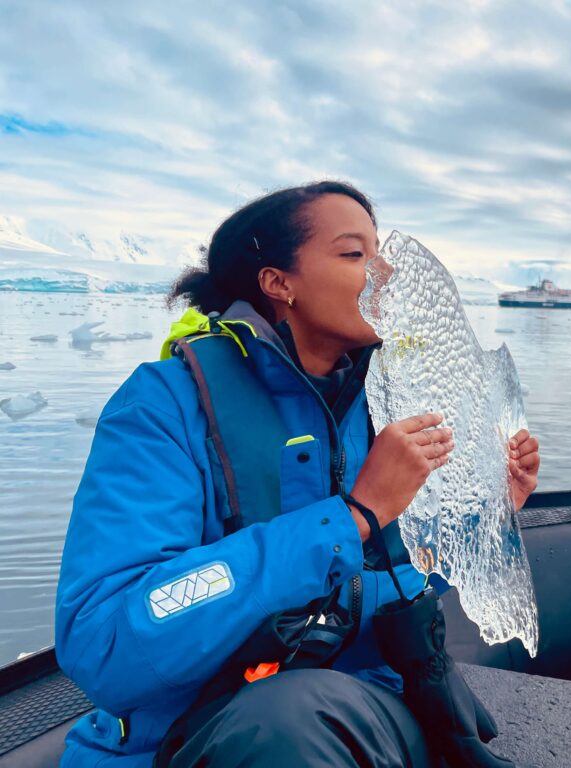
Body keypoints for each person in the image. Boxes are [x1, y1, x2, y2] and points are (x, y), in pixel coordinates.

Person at [54, 181, 541, 767]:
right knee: (287, 721)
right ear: (278, 283)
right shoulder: (162, 408)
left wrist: (484, 513)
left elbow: (400, 585)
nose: (384, 273)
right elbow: (104, 643)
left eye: (381, 253)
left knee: (309, 718)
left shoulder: (383, 403)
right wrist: (352, 517)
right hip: (191, 735)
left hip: (367, 711)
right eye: (355, 254)